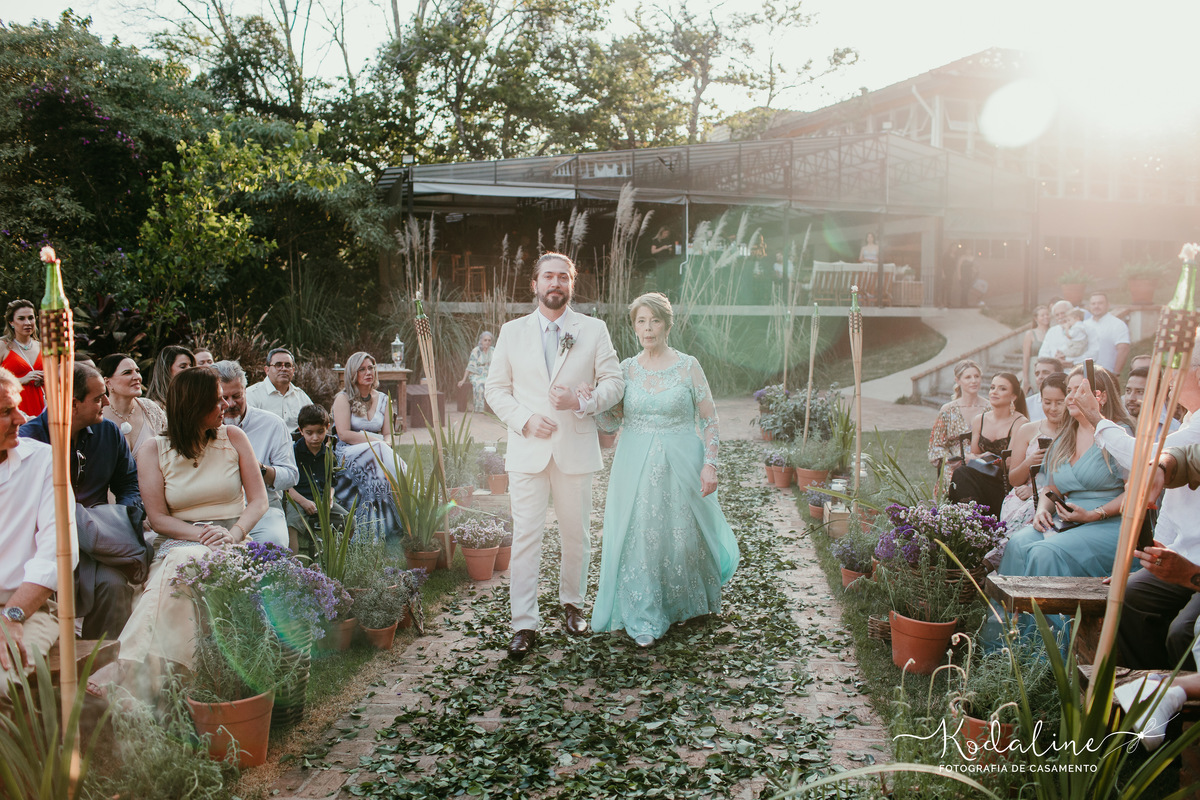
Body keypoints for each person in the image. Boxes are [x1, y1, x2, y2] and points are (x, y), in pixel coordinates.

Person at [484, 252, 624, 659]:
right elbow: (495, 390)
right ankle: (524, 625)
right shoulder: (511, 332)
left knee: (576, 533)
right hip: (528, 452)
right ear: (535, 284)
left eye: (563, 277)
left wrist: (584, 402)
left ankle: (573, 605)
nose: (556, 283)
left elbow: (614, 382)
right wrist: (525, 420)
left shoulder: (593, 330)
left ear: (571, 284)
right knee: (526, 538)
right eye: (548, 276)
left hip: (576, 449)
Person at [589, 293, 739, 648]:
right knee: (640, 534)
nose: (647, 328)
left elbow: (710, 420)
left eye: (654, 320)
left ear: (667, 324)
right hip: (634, 465)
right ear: (634, 327)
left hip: (682, 463)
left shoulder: (689, 366)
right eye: (641, 321)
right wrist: (593, 398)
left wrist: (710, 465)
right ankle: (643, 613)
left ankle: (683, 603)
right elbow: (611, 424)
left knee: (682, 534)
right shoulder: (625, 369)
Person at [115, 366, 268, 684]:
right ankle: (177, 676)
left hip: (233, 540)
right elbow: (157, 519)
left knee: (173, 577)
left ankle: (132, 666)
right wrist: (201, 535)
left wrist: (232, 533)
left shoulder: (234, 438)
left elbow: (258, 501)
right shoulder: (152, 450)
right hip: (178, 540)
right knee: (183, 563)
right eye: (216, 400)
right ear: (193, 406)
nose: (225, 404)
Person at [1073, 349, 1200, 671]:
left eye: (1175, 369)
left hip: (1196, 565)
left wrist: (1097, 419)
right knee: (1131, 597)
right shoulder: (1190, 420)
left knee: (1183, 632)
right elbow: (1168, 483)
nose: (1167, 378)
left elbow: (1142, 457)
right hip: (1182, 553)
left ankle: (1181, 702)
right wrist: (1154, 556)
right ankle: (1146, 692)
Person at [20, 363, 147, 639]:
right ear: (73, 403)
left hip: (98, 545)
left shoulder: (109, 433)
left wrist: (123, 520)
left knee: (114, 587)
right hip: (42, 548)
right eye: (98, 397)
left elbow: (128, 484)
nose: (106, 402)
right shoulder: (28, 440)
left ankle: (100, 669)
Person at [998, 366, 1133, 580]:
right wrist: (1042, 510)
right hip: (1067, 520)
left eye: (1079, 390)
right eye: (1069, 390)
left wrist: (1093, 514)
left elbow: (1136, 491)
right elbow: (1050, 486)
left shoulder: (1118, 435)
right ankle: (1011, 614)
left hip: (1110, 521)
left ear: (1102, 397)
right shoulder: (1064, 437)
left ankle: (1049, 614)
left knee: (1045, 553)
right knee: (1018, 544)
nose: (1070, 397)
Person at [0, 367, 76, 696]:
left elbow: (59, 551)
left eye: (17, 406)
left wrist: (11, 617)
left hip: (28, 609)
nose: (21, 417)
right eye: (6, 411)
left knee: (3, 680)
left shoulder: (42, 460)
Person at [215, 360, 296, 548]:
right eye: (223, 397)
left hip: (264, 508)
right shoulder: (203, 427)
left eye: (237, 396)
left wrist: (259, 469)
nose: (230, 404)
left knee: (273, 543)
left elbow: (291, 476)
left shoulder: (272, 424)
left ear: (246, 390)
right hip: (216, 509)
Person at [331, 351, 404, 539]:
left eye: (371, 368)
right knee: (379, 451)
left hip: (377, 454)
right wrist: (378, 442)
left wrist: (384, 443)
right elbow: (343, 434)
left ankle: (382, 529)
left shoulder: (384, 399)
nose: (368, 372)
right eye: (362, 369)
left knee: (380, 473)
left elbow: (388, 435)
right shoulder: (343, 398)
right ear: (352, 373)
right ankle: (407, 489)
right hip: (348, 452)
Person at [996, 372, 1069, 539]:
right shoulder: (1028, 430)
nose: (1053, 408)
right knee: (1017, 508)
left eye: (1059, 402)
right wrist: (1029, 462)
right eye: (1047, 402)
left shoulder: (1074, 433)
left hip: (1057, 495)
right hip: (1023, 491)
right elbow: (1013, 479)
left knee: (1032, 509)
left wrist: (1036, 491)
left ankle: (999, 552)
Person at [947, 372, 1028, 518]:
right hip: (980, 476)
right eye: (992, 387)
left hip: (1004, 483)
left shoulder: (1020, 423)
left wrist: (986, 458)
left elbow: (1011, 462)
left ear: (1013, 396)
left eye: (1002, 389)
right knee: (961, 473)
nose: (994, 392)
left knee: (962, 475)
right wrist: (978, 458)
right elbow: (973, 456)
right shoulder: (980, 420)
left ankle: (972, 522)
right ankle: (967, 522)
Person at [286, 404, 347, 555]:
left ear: (327, 427)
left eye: (320, 432)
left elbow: (331, 483)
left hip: (321, 499)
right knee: (291, 523)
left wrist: (329, 499)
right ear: (300, 431)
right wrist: (303, 502)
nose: (315, 437)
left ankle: (335, 555)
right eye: (309, 433)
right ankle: (292, 563)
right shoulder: (292, 453)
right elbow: (286, 487)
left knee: (348, 519)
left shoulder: (328, 454)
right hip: (298, 499)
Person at [928, 360, 988, 479]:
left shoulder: (989, 408)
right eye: (968, 377)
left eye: (976, 376)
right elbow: (935, 446)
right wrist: (954, 459)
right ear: (958, 381)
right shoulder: (948, 410)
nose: (973, 381)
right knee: (955, 475)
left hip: (983, 463)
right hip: (954, 465)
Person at [100, 353, 168, 457]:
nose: (137, 377)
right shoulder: (98, 414)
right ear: (108, 382)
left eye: (137, 371)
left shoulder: (151, 409)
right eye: (127, 373)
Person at [246, 347, 313, 433]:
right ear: (267, 370)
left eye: (288, 365)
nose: (284, 368)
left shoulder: (300, 396)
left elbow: (314, 422)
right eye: (278, 365)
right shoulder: (252, 395)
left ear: (293, 370)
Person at [0, 299, 45, 418]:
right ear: (11, 322)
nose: (27, 322)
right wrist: (20, 380)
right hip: (15, 410)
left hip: (42, 406)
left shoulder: (42, 346)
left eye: (31, 318)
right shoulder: (3, 346)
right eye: (21, 318)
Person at [1082, 292, 1131, 374]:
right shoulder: (1083, 325)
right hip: (1084, 373)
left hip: (1107, 374)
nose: (1096, 306)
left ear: (1108, 305)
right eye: (1093, 304)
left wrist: (1116, 373)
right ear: (1089, 306)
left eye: (1100, 303)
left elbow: (1123, 349)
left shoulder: (1117, 324)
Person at [1039, 300, 1089, 368]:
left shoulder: (1083, 328)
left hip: (1078, 371)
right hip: (1057, 372)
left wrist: (1074, 363)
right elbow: (1042, 354)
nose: (1060, 317)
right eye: (1057, 315)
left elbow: (1092, 352)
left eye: (1063, 313)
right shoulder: (1052, 331)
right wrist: (1055, 361)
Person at [457, 332, 495, 413]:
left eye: (489, 340)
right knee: (481, 383)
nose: (487, 342)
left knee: (493, 383)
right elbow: (470, 366)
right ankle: (479, 408)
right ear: (481, 341)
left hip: (489, 374)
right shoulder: (476, 351)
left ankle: (493, 408)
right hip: (476, 374)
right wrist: (463, 380)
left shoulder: (493, 350)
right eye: (485, 340)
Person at [1025, 356, 1064, 423]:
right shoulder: (1027, 403)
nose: (1040, 377)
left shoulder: (1070, 400)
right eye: (1037, 374)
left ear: (1058, 375)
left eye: (1045, 372)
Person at [1022, 305, 1052, 393]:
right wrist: (1026, 379)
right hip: (1034, 367)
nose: (1045, 317)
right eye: (1042, 315)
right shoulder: (1030, 334)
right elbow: (1026, 357)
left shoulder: (1053, 331)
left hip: (1050, 367)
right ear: (1036, 318)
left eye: (1047, 314)